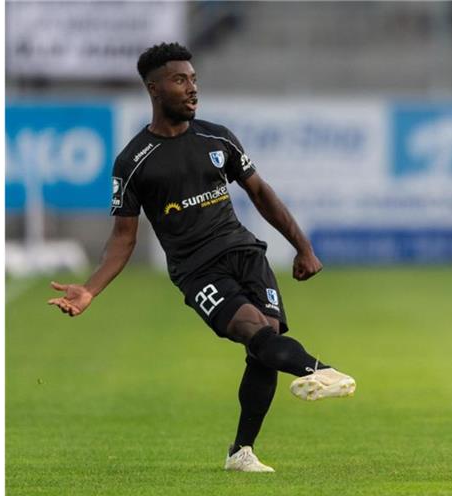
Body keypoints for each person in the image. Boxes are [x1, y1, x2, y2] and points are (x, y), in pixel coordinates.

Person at [47, 42, 356, 473]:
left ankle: (241, 453)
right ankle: (320, 369)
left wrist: (302, 247)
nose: (192, 89)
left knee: (263, 342)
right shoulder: (134, 162)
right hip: (197, 271)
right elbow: (123, 238)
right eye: (180, 80)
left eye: (193, 79)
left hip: (246, 253)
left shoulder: (217, 137)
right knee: (254, 331)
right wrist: (90, 290)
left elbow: (260, 193)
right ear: (154, 90)